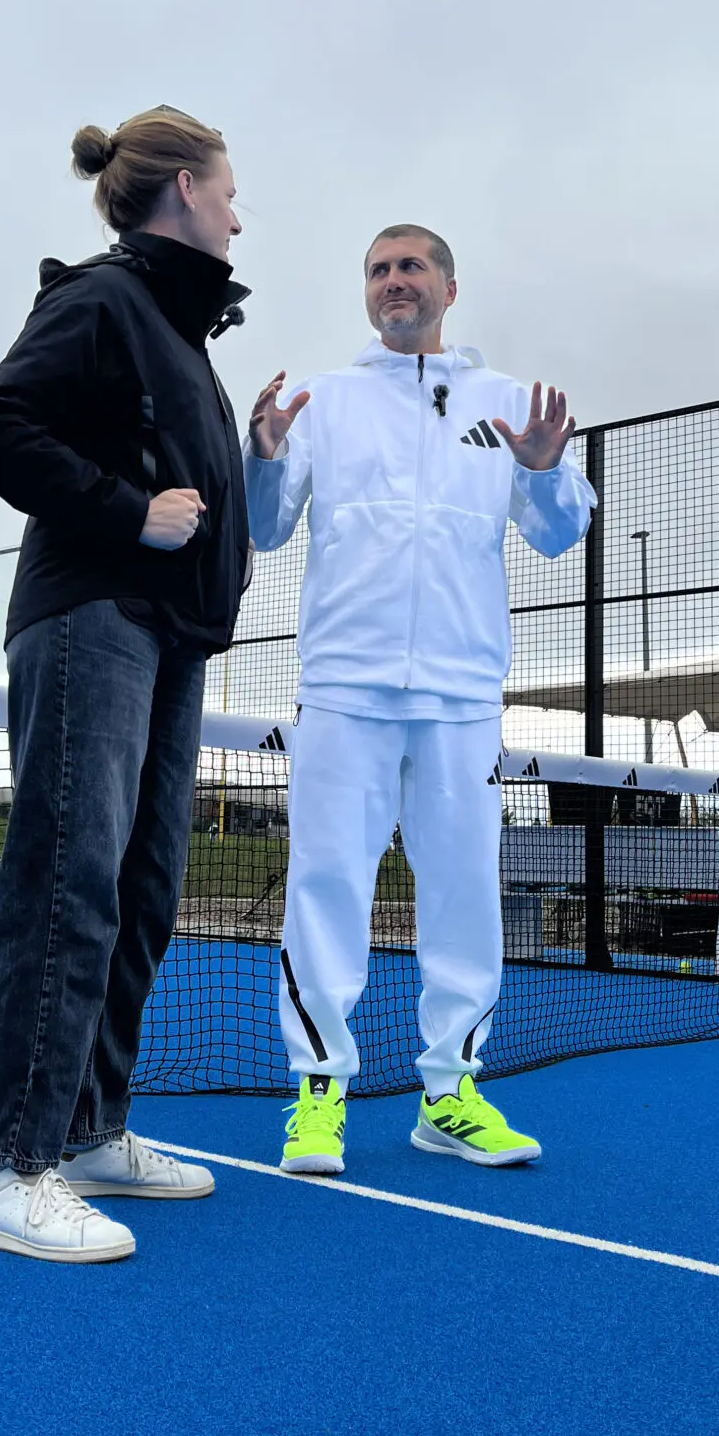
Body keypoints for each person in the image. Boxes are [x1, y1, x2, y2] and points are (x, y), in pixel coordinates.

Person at [0, 106, 251, 1262]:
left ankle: (86, 1131)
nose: (240, 211)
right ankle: (5, 1166)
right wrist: (133, 512)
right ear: (185, 186)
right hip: (92, 619)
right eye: (231, 190)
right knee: (69, 878)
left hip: (172, 635)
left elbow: (193, 487)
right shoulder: (98, 295)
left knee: (143, 886)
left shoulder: (182, 336)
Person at [245, 224, 594, 1174]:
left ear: (449, 284)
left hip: (462, 696)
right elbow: (267, 529)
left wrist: (542, 468)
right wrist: (265, 455)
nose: (394, 282)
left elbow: (561, 534)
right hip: (344, 690)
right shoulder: (325, 401)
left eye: (410, 267)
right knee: (324, 887)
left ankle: (451, 1094)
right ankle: (318, 1096)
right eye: (377, 270)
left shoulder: (513, 404)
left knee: (464, 897)